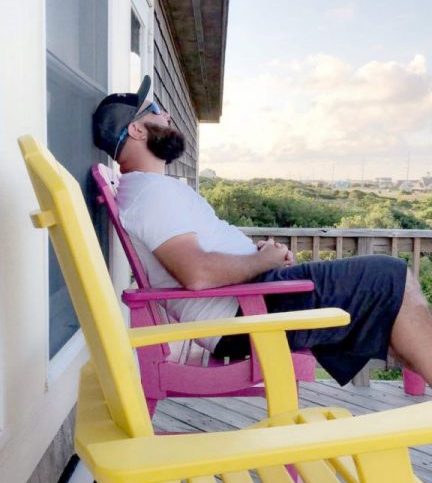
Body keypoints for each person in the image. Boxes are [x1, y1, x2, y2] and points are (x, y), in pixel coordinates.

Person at [92, 76, 432, 386]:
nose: (167, 115)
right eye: (154, 110)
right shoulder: (150, 194)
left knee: (389, 302)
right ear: (137, 130)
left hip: (250, 300)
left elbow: (198, 260)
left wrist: (258, 257)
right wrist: (262, 261)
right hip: (243, 313)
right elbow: (197, 273)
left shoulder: (148, 189)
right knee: (391, 276)